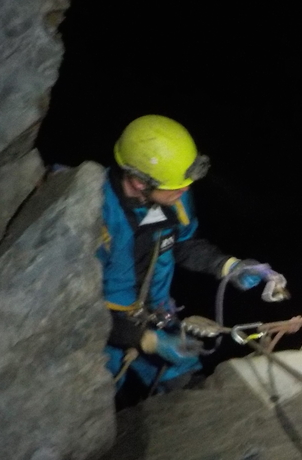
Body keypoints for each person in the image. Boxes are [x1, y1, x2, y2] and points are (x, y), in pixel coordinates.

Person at [97, 115, 283, 400]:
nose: (185, 189)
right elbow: (74, 309)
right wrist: (146, 341)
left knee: (186, 384)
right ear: (137, 182)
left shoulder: (173, 197)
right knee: (97, 401)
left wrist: (228, 266)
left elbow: (182, 244)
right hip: (100, 331)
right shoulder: (96, 216)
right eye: (175, 185)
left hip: (159, 317)